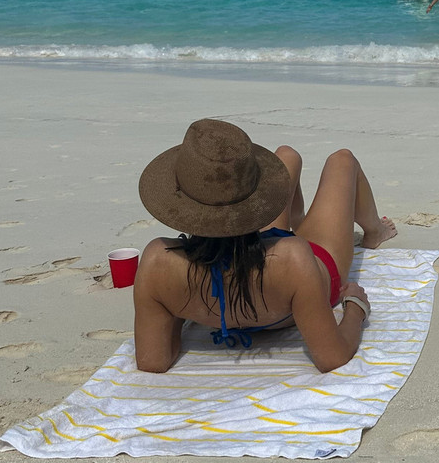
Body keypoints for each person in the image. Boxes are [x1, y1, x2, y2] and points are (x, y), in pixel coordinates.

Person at [133, 118, 397, 373]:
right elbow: (333, 357)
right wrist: (356, 307)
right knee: (342, 160)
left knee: (287, 155)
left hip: (258, 263)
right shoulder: (294, 257)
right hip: (294, 275)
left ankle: (300, 221)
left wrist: (179, 304)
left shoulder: (157, 261)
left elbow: (153, 362)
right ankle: (375, 231)